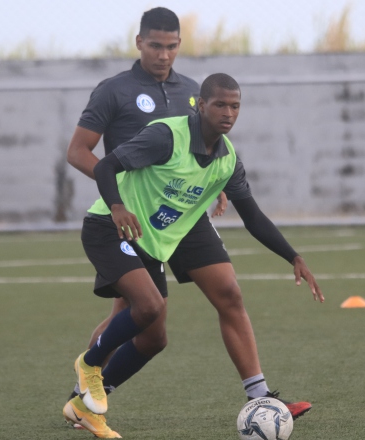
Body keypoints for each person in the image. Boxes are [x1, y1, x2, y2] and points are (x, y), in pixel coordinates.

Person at [63, 8, 314, 437]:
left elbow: (213, 159)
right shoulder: (114, 91)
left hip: (184, 216)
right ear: (139, 43)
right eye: (156, 45)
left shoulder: (196, 91)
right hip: (131, 214)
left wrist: (205, 183)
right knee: (140, 314)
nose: (164, 54)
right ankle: (85, 389)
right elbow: (79, 153)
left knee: (228, 292)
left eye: (172, 46)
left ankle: (260, 397)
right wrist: (120, 197)